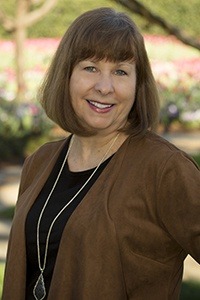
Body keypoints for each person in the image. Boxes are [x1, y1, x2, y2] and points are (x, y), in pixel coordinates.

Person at [2, 7, 200, 300]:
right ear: (66, 74)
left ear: (137, 84)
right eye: (90, 67)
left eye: (120, 71)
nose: (105, 87)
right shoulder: (39, 162)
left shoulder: (164, 168)